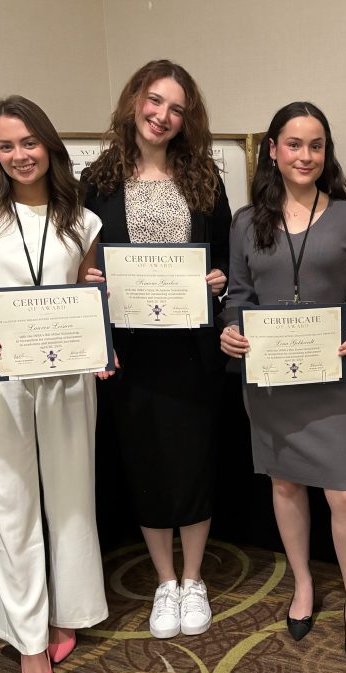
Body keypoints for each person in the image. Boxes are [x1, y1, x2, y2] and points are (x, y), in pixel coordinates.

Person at [0, 96, 108, 673]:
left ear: (49, 145)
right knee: (10, 502)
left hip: (66, 377)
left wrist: (101, 336)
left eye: (29, 142)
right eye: (6, 146)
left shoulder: (80, 220)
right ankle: (29, 639)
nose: (19, 156)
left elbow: (91, 296)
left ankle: (68, 612)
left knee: (70, 498)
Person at [221, 102, 346, 668]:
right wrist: (231, 331)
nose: (305, 155)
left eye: (316, 145)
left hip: (332, 375)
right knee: (286, 486)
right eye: (294, 144)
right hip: (268, 378)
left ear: (326, 152)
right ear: (273, 149)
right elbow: (237, 296)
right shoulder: (246, 221)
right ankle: (303, 586)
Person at [82, 60, 231, 640]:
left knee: (195, 459)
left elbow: (220, 256)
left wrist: (216, 278)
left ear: (186, 119)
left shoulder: (204, 180)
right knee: (145, 461)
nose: (163, 116)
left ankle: (194, 579)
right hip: (130, 350)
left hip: (192, 349)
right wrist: (90, 279)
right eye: (154, 101)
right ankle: (164, 582)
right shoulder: (96, 182)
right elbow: (81, 259)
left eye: (176, 108)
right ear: (133, 101)